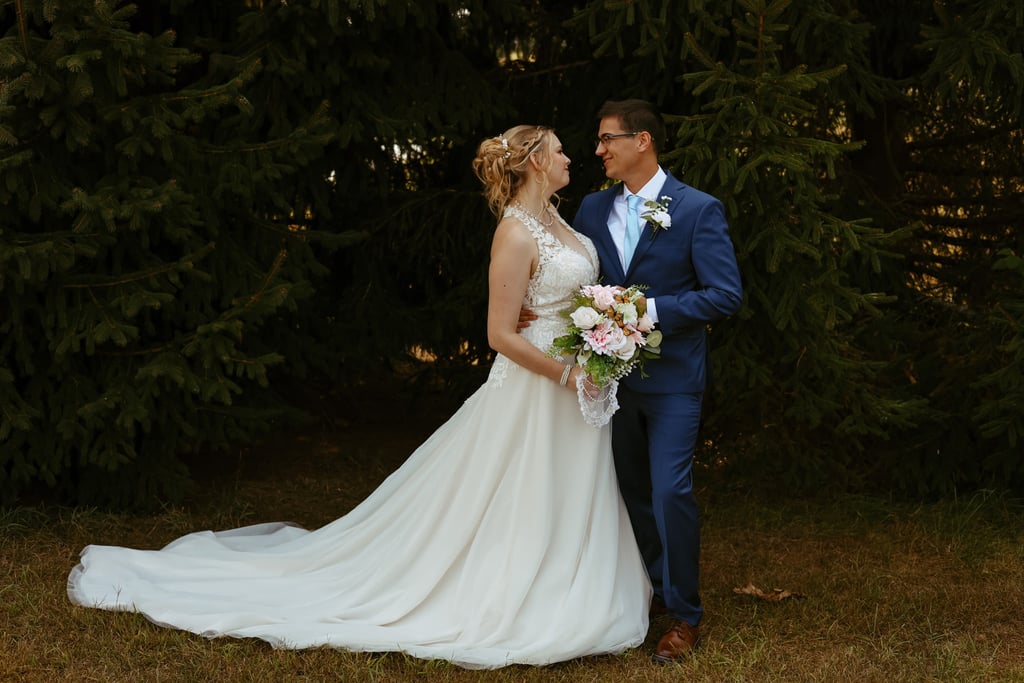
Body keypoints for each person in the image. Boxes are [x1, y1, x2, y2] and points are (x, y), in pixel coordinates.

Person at [66, 125, 652, 670]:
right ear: (534, 162)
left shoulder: (562, 221)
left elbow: (565, 295)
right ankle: (513, 588)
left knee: (564, 481)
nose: (571, 156)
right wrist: (565, 374)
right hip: (539, 384)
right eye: (559, 149)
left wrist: (604, 328)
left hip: (577, 376)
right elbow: (499, 334)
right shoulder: (515, 231)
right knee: (520, 485)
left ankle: (563, 576)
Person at [572, 99, 742, 662]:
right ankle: (653, 593)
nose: (599, 150)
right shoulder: (593, 209)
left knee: (670, 490)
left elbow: (725, 294)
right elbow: (575, 278)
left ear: (641, 140)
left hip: (673, 380)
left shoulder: (697, 209)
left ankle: (686, 616)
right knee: (632, 492)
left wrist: (648, 310)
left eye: (608, 139)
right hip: (612, 380)